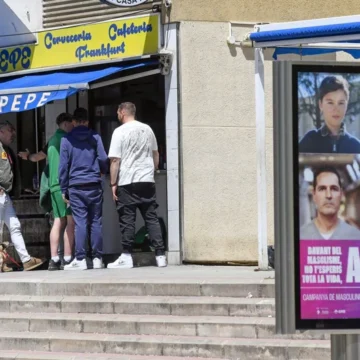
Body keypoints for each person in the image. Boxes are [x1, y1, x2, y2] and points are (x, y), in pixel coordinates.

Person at [107, 102, 167, 269]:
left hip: (128, 180)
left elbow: (115, 160)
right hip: (147, 180)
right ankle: (160, 255)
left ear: (122, 112)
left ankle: (126, 255)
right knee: (151, 217)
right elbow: (156, 153)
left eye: (118, 112)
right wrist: (152, 170)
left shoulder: (119, 132)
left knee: (127, 219)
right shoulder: (147, 129)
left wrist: (113, 183)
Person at [59, 108, 108, 271]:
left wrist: (63, 188)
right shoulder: (95, 137)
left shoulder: (66, 139)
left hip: (76, 186)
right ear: (87, 121)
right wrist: (101, 172)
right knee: (96, 221)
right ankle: (97, 258)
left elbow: (63, 166)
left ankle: (80, 258)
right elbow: (102, 158)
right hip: (94, 183)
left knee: (80, 222)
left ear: (73, 121)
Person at [0, 121, 44, 271]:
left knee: (15, 226)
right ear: (1, 132)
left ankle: (26, 260)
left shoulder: (7, 150)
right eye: (9, 130)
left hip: (5, 195)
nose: (13, 133)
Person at [299, 75, 360, 153]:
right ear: (321, 104)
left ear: (346, 106)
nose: (336, 109)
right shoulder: (309, 141)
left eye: (341, 103)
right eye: (330, 103)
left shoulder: (355, 146)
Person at [47, 113, 75, 271]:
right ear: (65, 124)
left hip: (53, 186)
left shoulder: (51, 140)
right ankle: (67, 257)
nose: (73, 126)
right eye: (71, 123)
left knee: (58, 221)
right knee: (70, 221)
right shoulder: (66, 139)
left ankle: (54, 258)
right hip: (65, 185)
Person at [300, 167, 360, 240]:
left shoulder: (356, 237)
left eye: (334, 189)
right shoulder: (301, 236)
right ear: (314, 195)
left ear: (341, 195)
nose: (328, 195)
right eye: (322, 189)